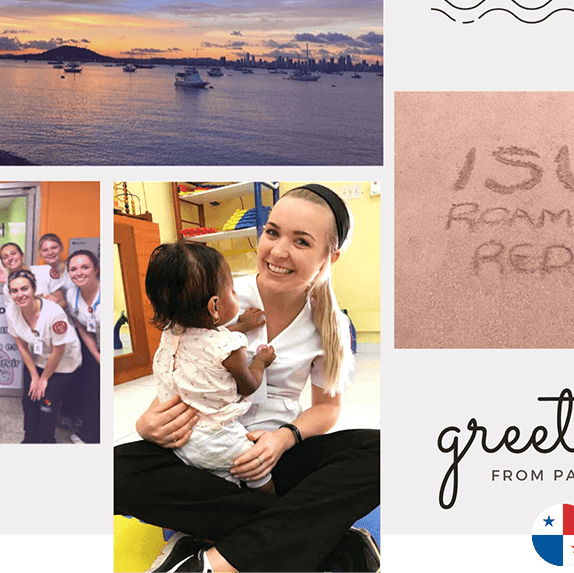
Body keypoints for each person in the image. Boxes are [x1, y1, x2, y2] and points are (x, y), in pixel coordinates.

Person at [115, 184, 380, 573]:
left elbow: (327, 409)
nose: (277, 251)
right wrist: (148, 423)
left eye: (301, 242)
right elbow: (181, 372)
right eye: (272, 232)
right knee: (116, 470)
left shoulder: (332, 325)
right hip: (202, 459)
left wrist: (282, 439)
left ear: (330, 255)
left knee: (382, 452)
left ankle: (210, 559)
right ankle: (328, 540)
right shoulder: (216, 293)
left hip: (274, 460)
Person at [144, 240, 278, 493]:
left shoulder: (172, 331)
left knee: (221, 485)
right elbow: (248, 386)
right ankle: (273, 508)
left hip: (181, 441)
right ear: (215, 306)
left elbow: (206, 338)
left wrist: (243, 325)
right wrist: (260, 361)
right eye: (233, 290)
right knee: (258, 470)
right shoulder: (232, 346)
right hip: (221, 439)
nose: (237, 294)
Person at [5, 270, 82, 443]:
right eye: (14, 291)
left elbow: (59, 350)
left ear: (34, 289)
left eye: (24, 289)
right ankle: (30, 438)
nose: (20, 295)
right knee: (29, 399)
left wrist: (44, 378)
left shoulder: (54, 313)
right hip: (38, 359)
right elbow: (22, 346)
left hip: (63, 362)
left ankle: (47, 440)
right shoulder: (11, 311)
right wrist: (34, 376)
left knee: (46, 401)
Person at [65, 249, 101, 444]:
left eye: (85, 267)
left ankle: (93, 435)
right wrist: (96, 354)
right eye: (73, 269)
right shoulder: (72, 294)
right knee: (90, 387)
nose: (79, 273)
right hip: (91, 345)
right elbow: (81, 325)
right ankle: (88, 430)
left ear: (96, 268)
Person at [0, 242, 65, 307]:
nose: (10, 258)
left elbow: (63, 303)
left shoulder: (46, 271)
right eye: (5, 257)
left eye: (13, 253)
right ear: (3, 264)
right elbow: (13, 313)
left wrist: (49, 305)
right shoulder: (7, 288)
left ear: (22, 255)